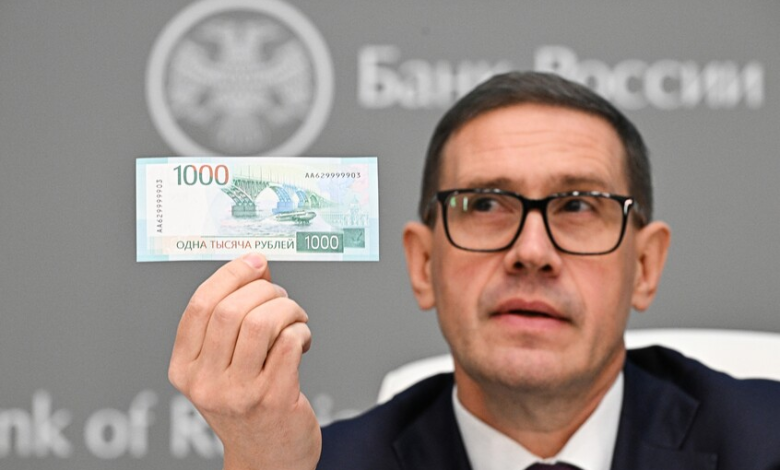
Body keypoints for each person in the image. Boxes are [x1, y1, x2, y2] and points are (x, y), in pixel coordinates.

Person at [168, 71, 780, 470]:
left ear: (644, 265)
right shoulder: (315, 465)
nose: (532, 251)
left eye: (577, 207)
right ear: (423, 263)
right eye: (485, 205)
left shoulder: (765, 441)